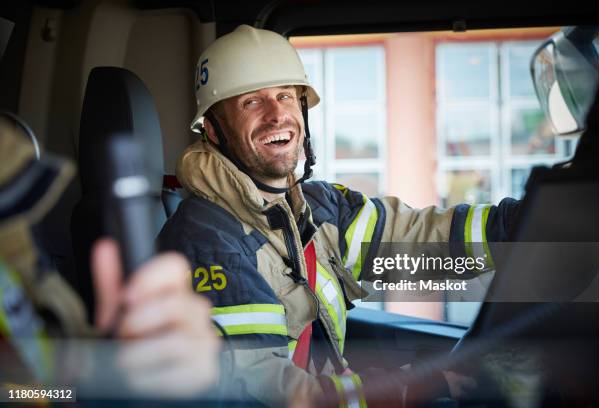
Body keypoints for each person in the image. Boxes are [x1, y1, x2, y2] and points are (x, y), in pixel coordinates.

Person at [157, 25, 520, 406]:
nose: (277, 114)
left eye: (286, 96)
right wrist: (410, 388)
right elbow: (265, 394)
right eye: (251, 102)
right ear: (213, 130)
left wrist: (517, 226)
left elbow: (417, 240)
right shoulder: (206, 239)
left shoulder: (317, 209)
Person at [0, 113, 220, 400]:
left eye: (286, 96)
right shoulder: (202, 227)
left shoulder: (12, 204)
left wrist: (123, 375)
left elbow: (57, 389)